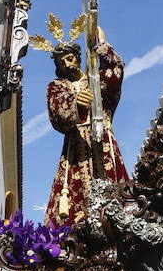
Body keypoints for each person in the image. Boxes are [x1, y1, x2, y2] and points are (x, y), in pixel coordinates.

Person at [42, 34, 129, 226]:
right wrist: (76, 103)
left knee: (114, 191)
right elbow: (57, 114)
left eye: (70, 57)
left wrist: (103, 47)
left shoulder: (95, 80)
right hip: (77, 146)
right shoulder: (57, 86)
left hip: (104, 142)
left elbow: (115, 78)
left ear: (78, 58)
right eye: (62, 61)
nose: (67, 63)